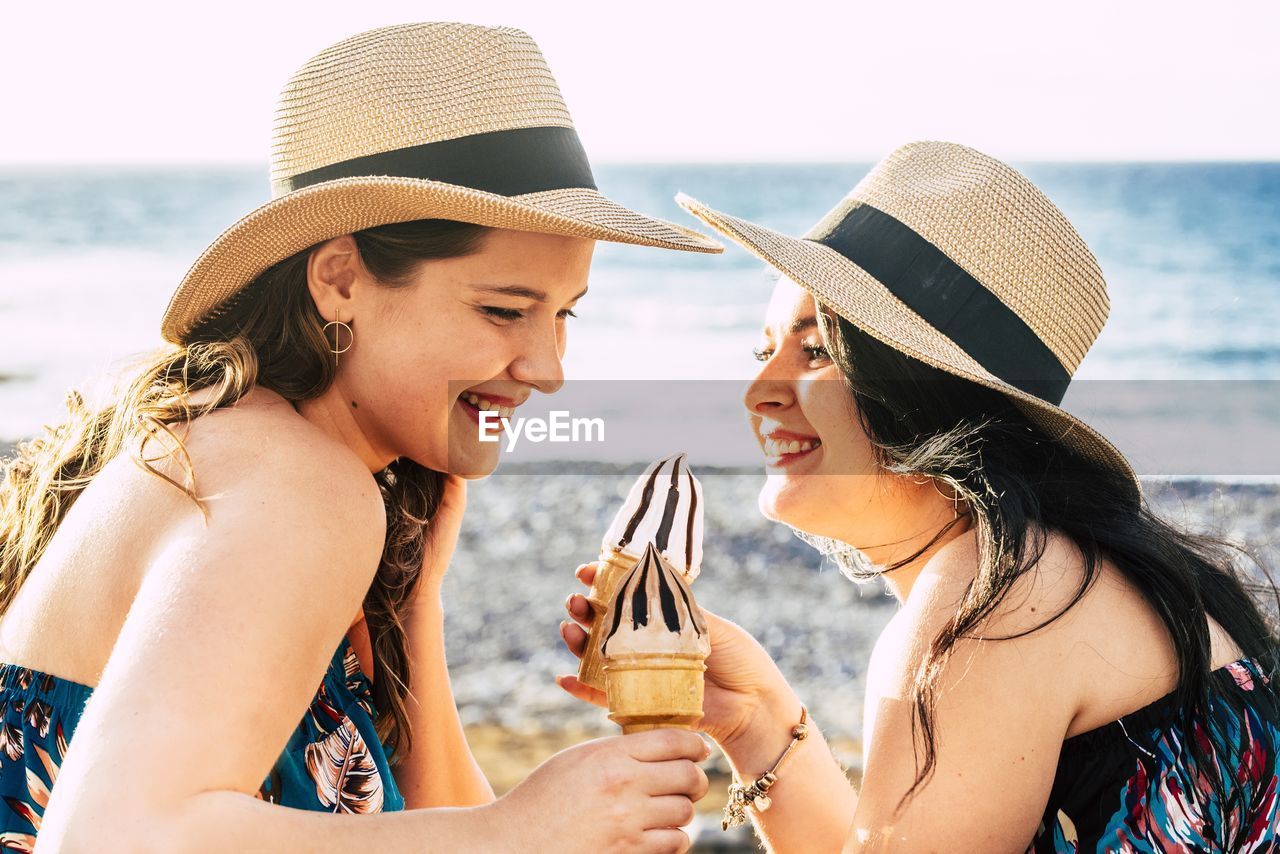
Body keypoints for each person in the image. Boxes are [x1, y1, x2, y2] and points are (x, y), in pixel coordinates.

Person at [0, 22, 723, 852]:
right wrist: (518, 828)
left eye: (565, 313)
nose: (548, 367)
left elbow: (441, 819)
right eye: (502, 310)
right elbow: (107, 837)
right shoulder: (290, 481)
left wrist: (414, 610)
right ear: (339, 278)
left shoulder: (249, 453)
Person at [560, 141, 1280, 852]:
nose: (757, 391)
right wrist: (756, 720)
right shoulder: (1083, 577)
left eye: (815, 352)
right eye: (764, 351)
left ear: (922, 391)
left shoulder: (992, 608)